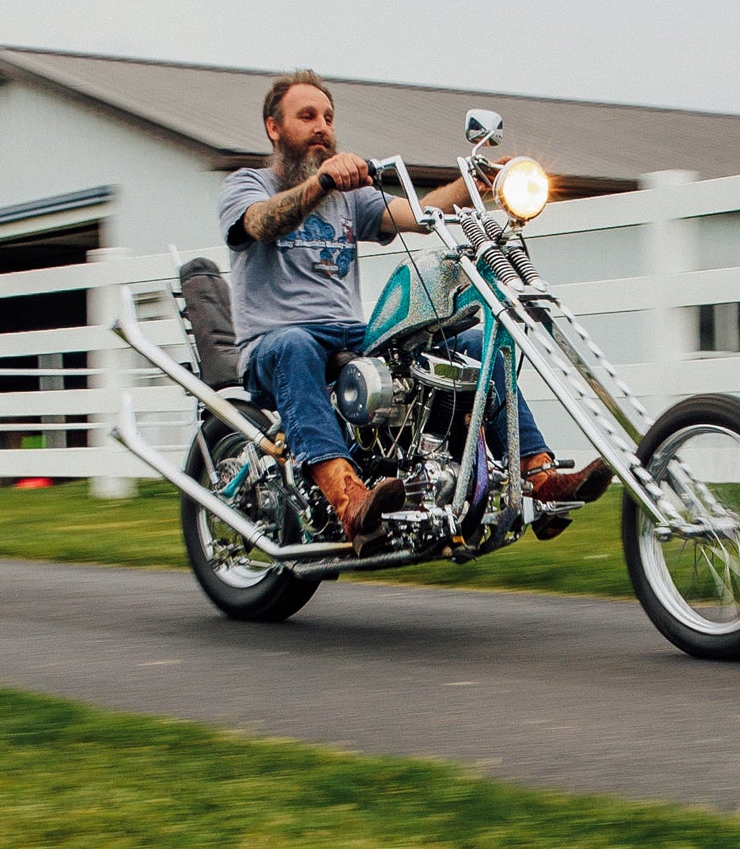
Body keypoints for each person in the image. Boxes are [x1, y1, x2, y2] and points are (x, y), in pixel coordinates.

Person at [219, 69, 610, 548]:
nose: (322, 126)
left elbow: (421, 214)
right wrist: (321, 183)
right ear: (274, 128)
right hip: (275, 343)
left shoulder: (349, 199)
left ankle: (537, 476)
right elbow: (258, 224)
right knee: (296, 345)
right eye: (307, 116)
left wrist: (475, 182)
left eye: (328, 117)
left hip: (350, 337)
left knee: (469, 342)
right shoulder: (248, 185)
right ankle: (349, 501)